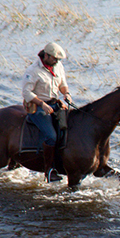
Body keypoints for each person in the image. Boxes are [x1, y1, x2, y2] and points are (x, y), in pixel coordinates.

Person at [21, 42, 72, 183]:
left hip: (54, 104)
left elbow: (62, 84)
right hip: (37, 107)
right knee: (51, 136)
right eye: (54, 58)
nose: (57, 61)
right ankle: (49, 170)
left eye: (58, 59)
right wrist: (42, 104)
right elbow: (26, 92)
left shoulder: (58, 66)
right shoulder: (33, 71)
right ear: (46, 55)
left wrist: (66, 94)